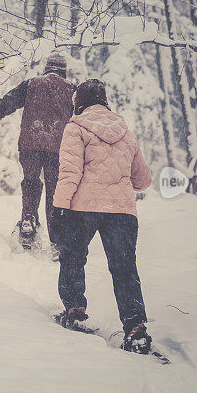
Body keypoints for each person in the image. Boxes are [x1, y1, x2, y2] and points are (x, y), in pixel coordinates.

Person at [51, 79, 154, 354]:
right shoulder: (126, 133)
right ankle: (135, 329)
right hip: (121, 212)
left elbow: (70, 173)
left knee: (73, 257)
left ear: (79, 102)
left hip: (82, 208)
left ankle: (74, 310)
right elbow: (142, 180)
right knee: (124, 269)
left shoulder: (75, 128)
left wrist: (59, 208)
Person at [0, 54, 74, 251]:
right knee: (54, 189)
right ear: (63, 71)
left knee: (31, 181)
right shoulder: (70, 90)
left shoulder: (31, 84)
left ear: (46, 69)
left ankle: (28, 223)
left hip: (30, 145)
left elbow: (8, 102)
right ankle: (57, 239)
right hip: (58, 147)